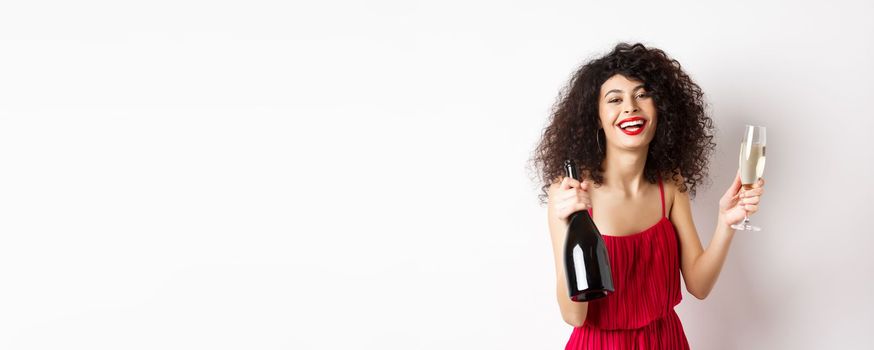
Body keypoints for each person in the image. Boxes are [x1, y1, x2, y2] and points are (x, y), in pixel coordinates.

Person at [530, 42, 766, 349]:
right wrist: (566, 227)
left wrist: (726, 223)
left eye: (642, 95)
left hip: (666, 341)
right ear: (597, 119)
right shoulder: (572, 191)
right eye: (615, 100)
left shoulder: (669, 184)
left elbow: (699, 284)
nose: (630, 107)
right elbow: (574, 316)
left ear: (662, 109)